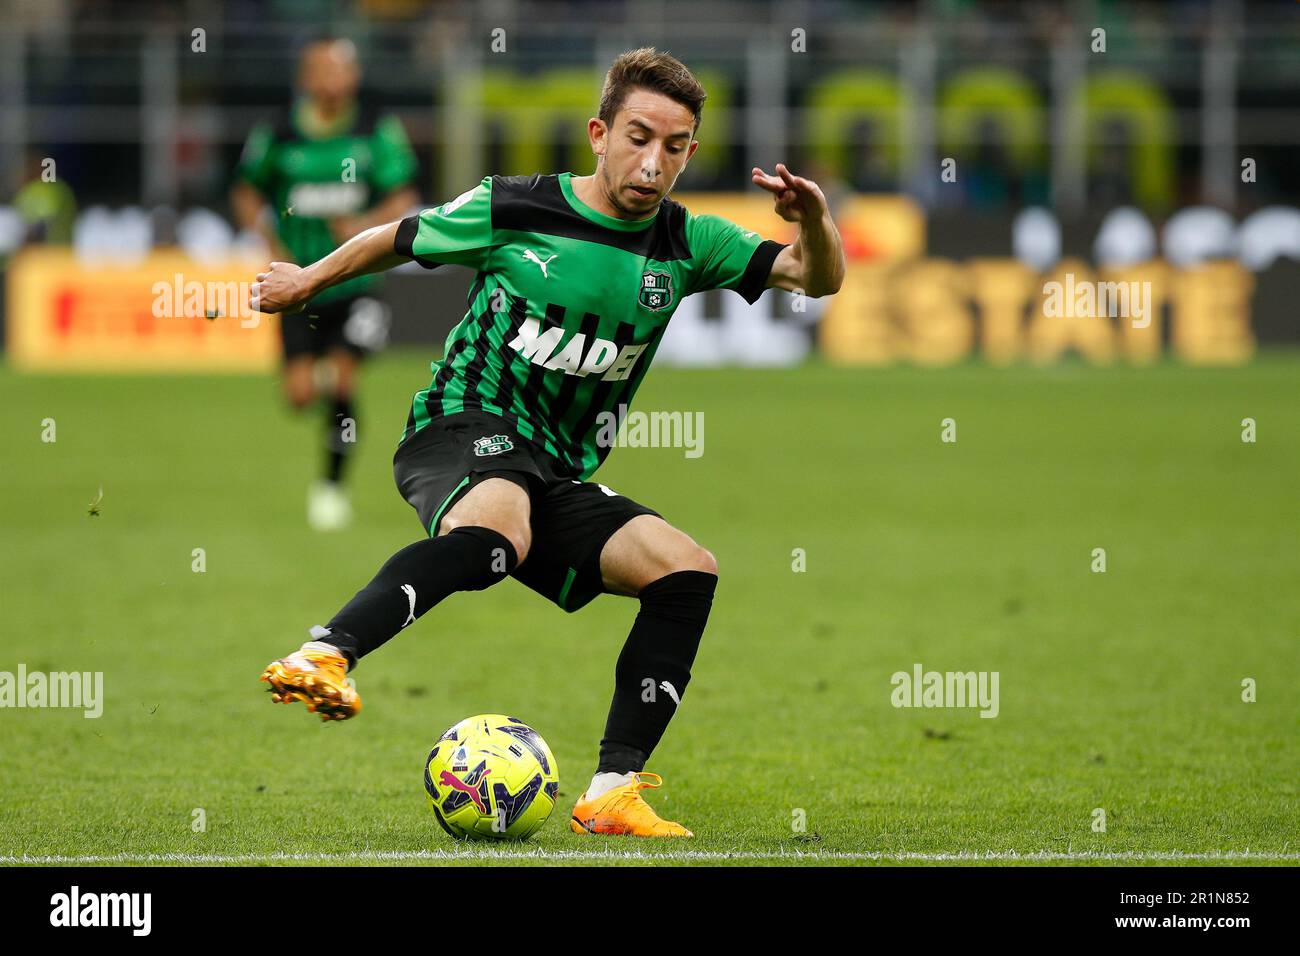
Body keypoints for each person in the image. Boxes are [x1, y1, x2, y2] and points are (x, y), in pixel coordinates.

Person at [252, 48, 844, 837]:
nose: (653, 160)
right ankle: (326, 652)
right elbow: (396, 236)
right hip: (460, 423)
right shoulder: (515, 207)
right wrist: (307, 281)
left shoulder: (687, 242)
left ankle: (612, 790)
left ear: (691, 154)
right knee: (499, 529)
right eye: (638, 137)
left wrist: (816, 220)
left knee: (685, 570)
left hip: (551, 469)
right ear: (599, 133)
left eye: (674, 146)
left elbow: (816, 277)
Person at [232, 36, 418, 530]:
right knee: (298, 397)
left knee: (341, 377)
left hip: (355, 284)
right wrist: (269, 242)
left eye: (342, 69)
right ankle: (322, 397)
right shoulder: (279, 132)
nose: (335, 78)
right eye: (324, 69)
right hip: (297, 289)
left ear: (354, 76)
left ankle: (331, 489)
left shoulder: (375, 129)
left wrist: (367, 223)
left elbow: (403, 197)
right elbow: (247, 191)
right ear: (306, 77)